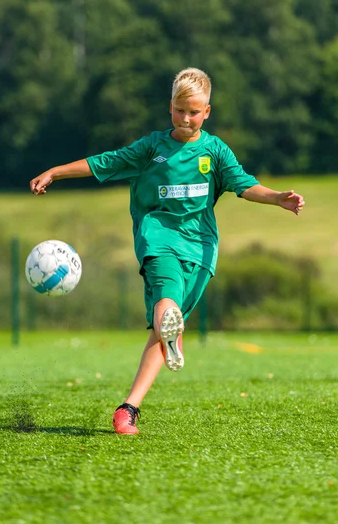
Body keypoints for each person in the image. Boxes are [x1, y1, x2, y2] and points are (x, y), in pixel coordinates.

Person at [30, 67, 305, 435]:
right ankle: (167, 331)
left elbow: (244, 184)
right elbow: (104, 162)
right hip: (158, 238)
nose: (186, 118)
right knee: (167, 299)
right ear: (169, 108)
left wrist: (278, 199)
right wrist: (56, 172)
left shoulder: (215, 151)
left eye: (194, 112)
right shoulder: (152, 148)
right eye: (180, 110)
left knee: (162, 330)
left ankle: (128, 408)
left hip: (201, 249)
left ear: (207, 111)